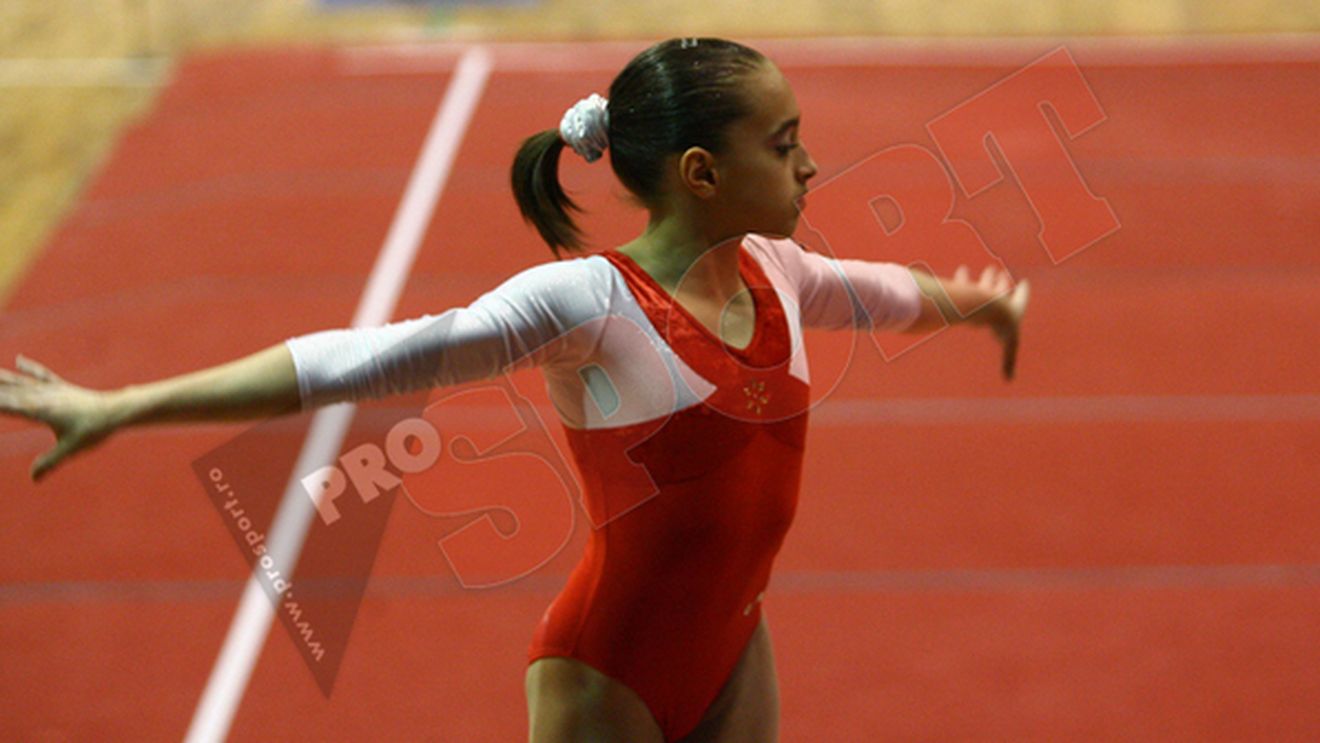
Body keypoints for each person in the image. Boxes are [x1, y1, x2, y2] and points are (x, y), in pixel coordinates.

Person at [0, 38, 1027, 743]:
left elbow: (885, 294)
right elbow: (359, 359)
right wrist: (125, 401)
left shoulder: (780, 271)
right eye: (786, 143)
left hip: (734, 643)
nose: (812, 163)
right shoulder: (586, 303)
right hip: (607, 675)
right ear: (702, 171)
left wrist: (975, 304)